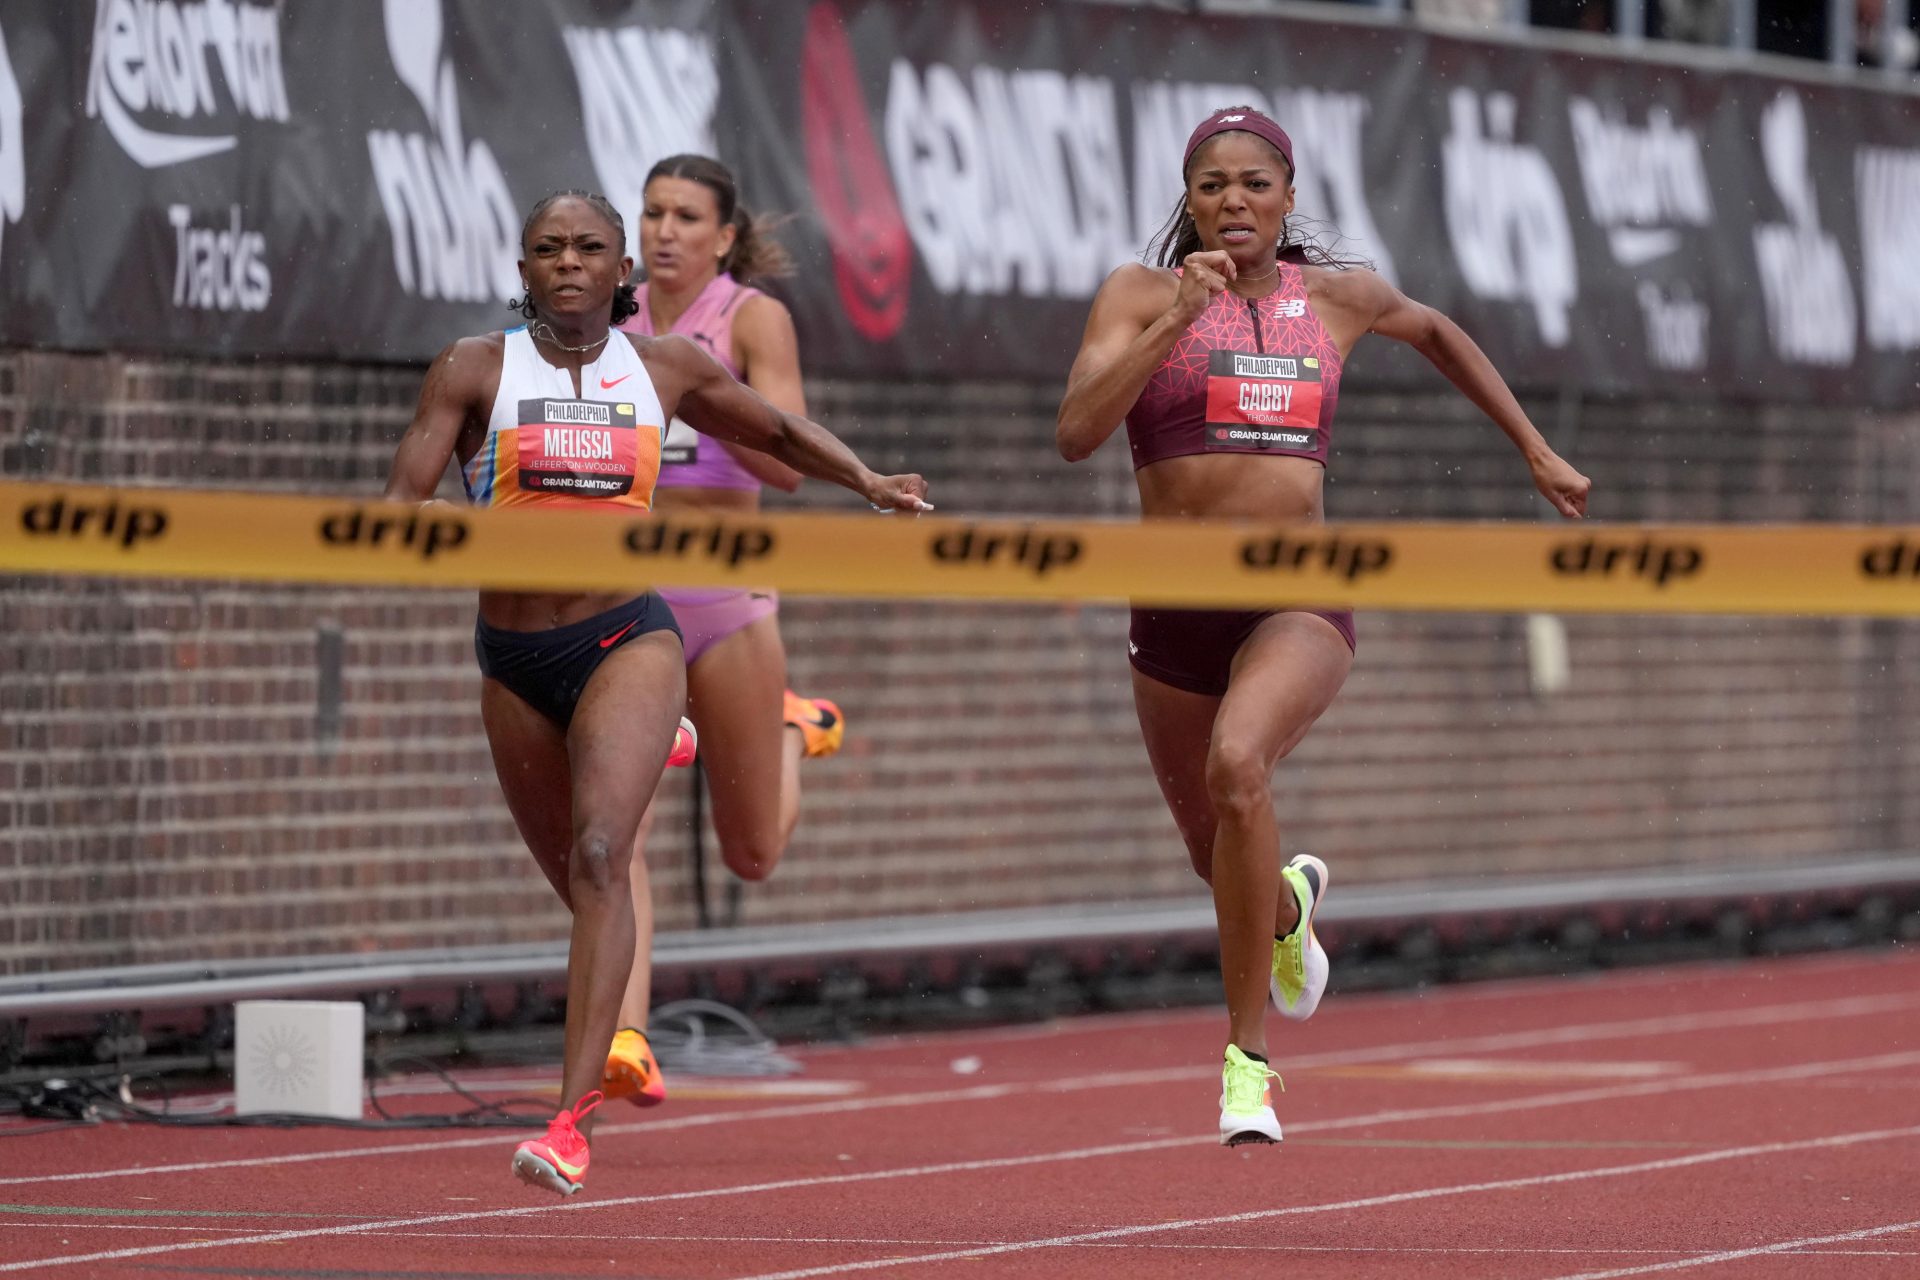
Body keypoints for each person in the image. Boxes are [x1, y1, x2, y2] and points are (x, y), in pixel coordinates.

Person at [1055, 108, 1589, 1146]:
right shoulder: (1138, 295)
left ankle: (1246, 1062)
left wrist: (1532, 446)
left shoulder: (1337, 298)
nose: (1235, 201)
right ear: (1189, 202)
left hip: (1296, 598)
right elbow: (1077, 432)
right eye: (1213, 185)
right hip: (1171, 608)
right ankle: (1288, 911)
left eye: (1255, 183)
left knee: (1238, 762)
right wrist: (1177, 318)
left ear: (1288, 197)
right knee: (1216, 853)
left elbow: (1435, 331)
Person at [381, 190, 930, 1196]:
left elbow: (778, 429)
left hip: (628, 636)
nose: (569, 263)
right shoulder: (473, 369)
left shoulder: (664, 367)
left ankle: (570, 1122)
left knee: (604, 857)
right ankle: (663, 740)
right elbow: (398, 507)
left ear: (621, 267)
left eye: (589, 247)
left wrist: (870, 483)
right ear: (522, 266)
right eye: (549, 248)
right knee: (580, 884)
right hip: (513, 657)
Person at [598, 156, 840, 1111]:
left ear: (724, 237)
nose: (665, 231)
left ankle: (792, 729)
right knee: (616, 828)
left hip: (728, 605)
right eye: (653, 212)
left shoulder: (749, 320)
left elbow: (788, 464)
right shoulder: (608, 320)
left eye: (686, 217)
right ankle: (626, 1036)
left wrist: (697, 392)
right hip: (628, 605)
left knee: (752, 855)